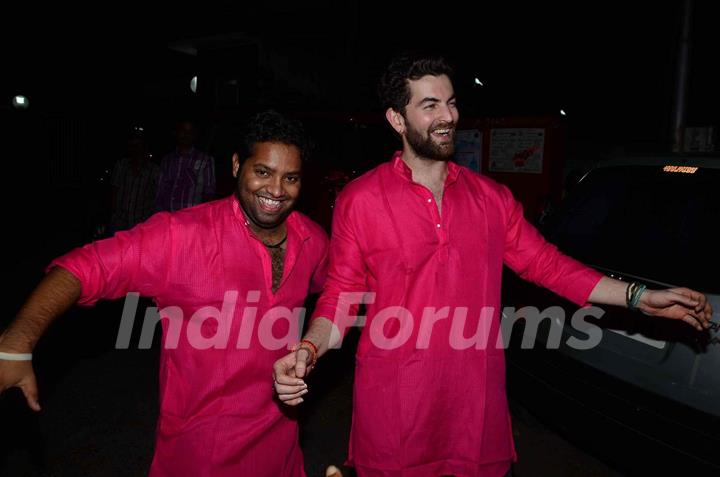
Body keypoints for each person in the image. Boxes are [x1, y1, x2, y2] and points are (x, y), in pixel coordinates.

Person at [272, 53, 713, 477]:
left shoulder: (491, 199)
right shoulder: (360, 200)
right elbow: (341, 297)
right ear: (397, 120)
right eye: (430, 105)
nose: (448, 115)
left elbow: (549, 265)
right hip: (395, 409)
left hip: (473, 407)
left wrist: (640, 297)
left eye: (451, 101)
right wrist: (308, 350)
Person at [0, 110, 328, 477]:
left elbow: (334, 295)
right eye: (263, 172)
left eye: (291, 178)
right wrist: (17, 339)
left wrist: (310, 347)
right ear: (237, 166)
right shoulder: (180, 236)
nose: (276, 190)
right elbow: (83, 267)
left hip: (281, 452)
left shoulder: (312, 240)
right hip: (200, 455)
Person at [155, 120, 216, 212]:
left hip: (191, 218)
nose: (186, 134)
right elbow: (160, 190)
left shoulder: (205, 160)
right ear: (177, 133)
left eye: (190, 132)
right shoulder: (167, 160)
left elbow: (209, 193)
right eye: (183, 131)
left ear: (194, 135)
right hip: (167, 217)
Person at [108, 130, 160, 233]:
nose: (135, 149)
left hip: (141, 225)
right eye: (132, 145)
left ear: (145, 147)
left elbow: (157, 198)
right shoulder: (121, 165)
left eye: (138, 145)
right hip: (119, 223)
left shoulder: (154, 170)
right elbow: (114, 191)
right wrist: (112, 213)